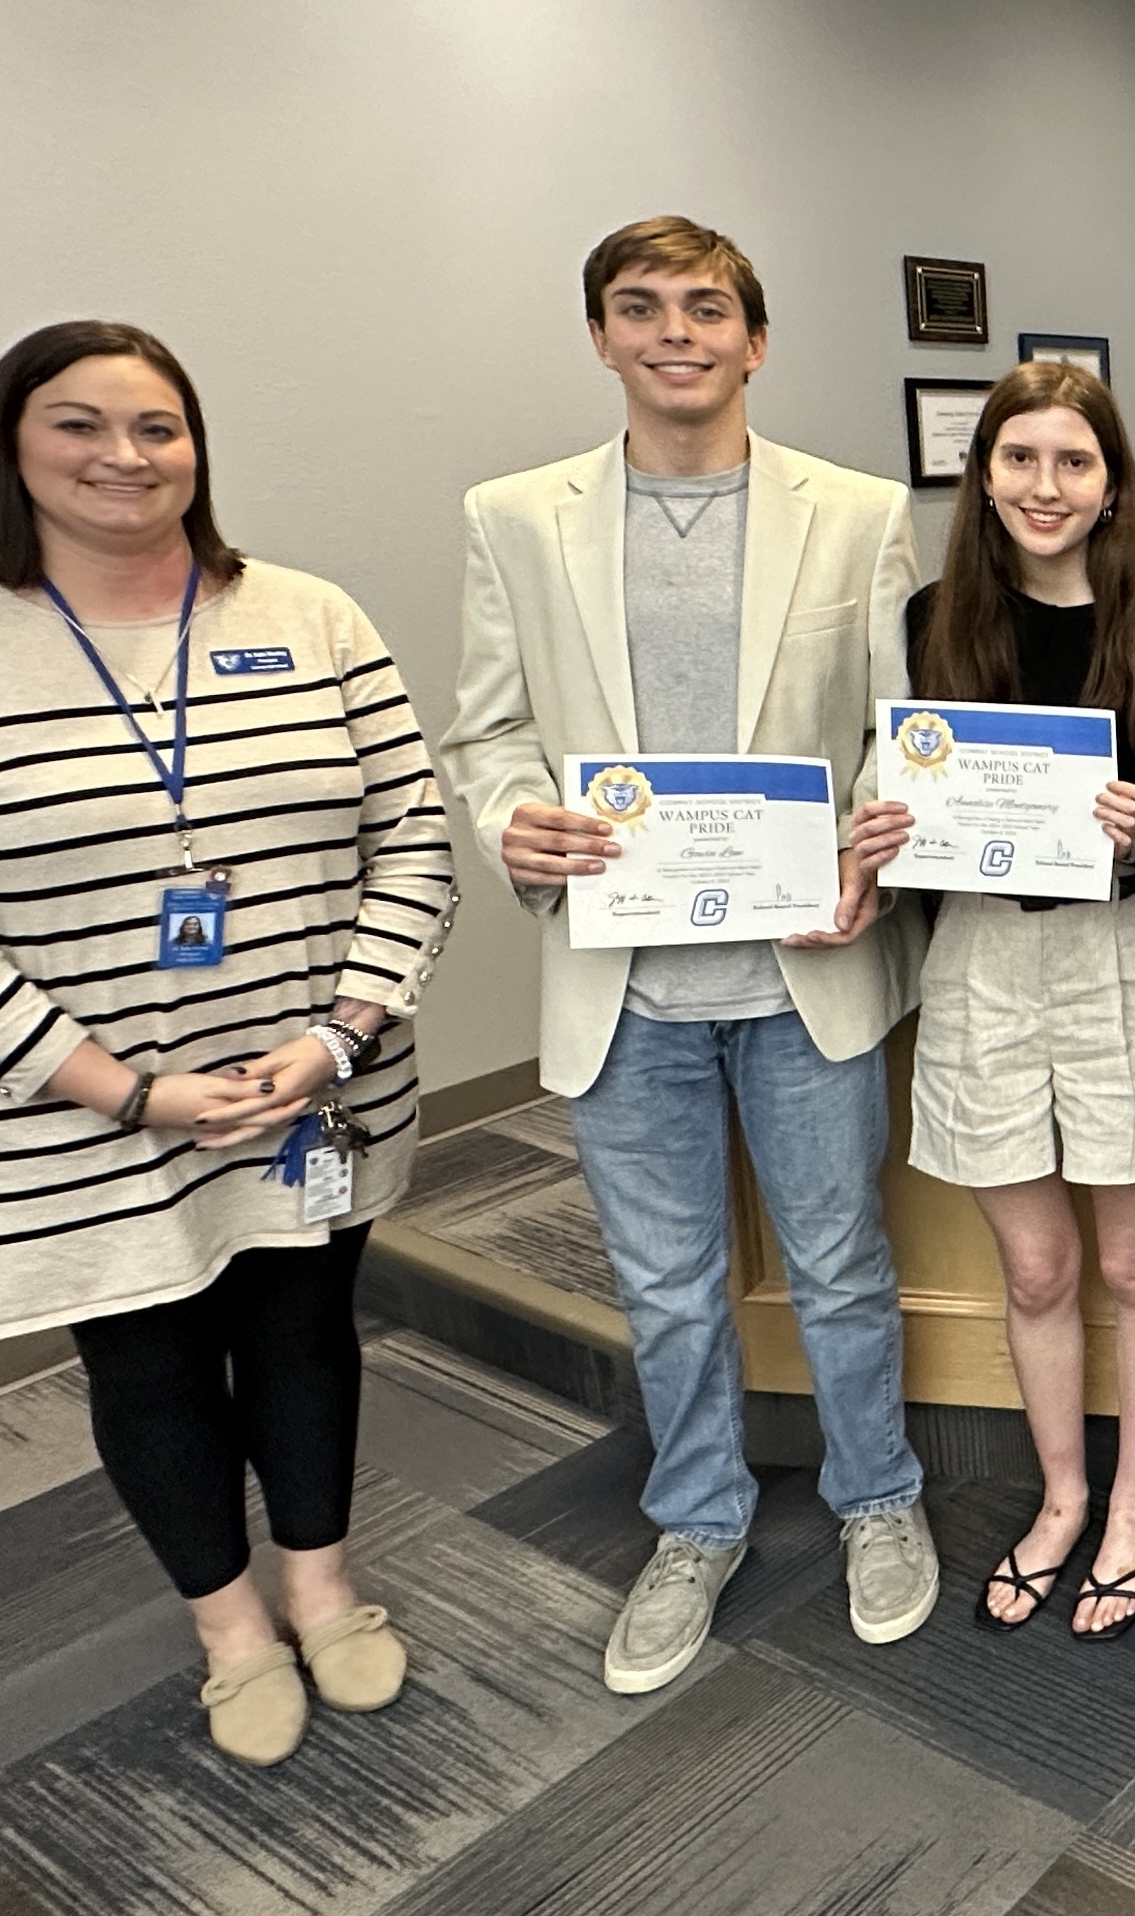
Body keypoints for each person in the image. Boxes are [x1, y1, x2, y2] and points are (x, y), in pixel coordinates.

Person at [0, 321, 455, 1766]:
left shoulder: (310, 614)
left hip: (307, 1088)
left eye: (157, 426)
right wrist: (133, 1092)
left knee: (300, 1337)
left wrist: (342, 1031)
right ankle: (230, 1627)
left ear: (197, 446)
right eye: (79, 425)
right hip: (79, 1111)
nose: (124, 456)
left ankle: (322, 1585)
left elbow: (410, 836)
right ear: (13, 447)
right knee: (154, 1362)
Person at [441, 216, 939, 1697]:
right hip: (625, 981)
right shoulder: (513, 518)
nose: (676, 331)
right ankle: (696, 1523)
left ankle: (879, 1501)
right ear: (599, 335)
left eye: (707, 307)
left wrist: (870, 860)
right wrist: (511, 824)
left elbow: (891, 739)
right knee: (663, 1284)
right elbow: (488, 730)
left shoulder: (854, 514)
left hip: (802, 972)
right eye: (640, 308)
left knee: (842, 1266)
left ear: (755, 338)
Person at [849, 361, 1135, 1640]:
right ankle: (1060, 1493)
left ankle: (1134, 1500)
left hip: (1127, 956)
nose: (1045, 487)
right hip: (984, 964)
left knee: (1132, 1257)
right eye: (1020, 459)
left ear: (1112, 481)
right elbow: (910, 811)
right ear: (982, 472)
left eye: (1074, 461)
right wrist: (883, 830)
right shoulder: (930, 618)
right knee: (1040, 1264)